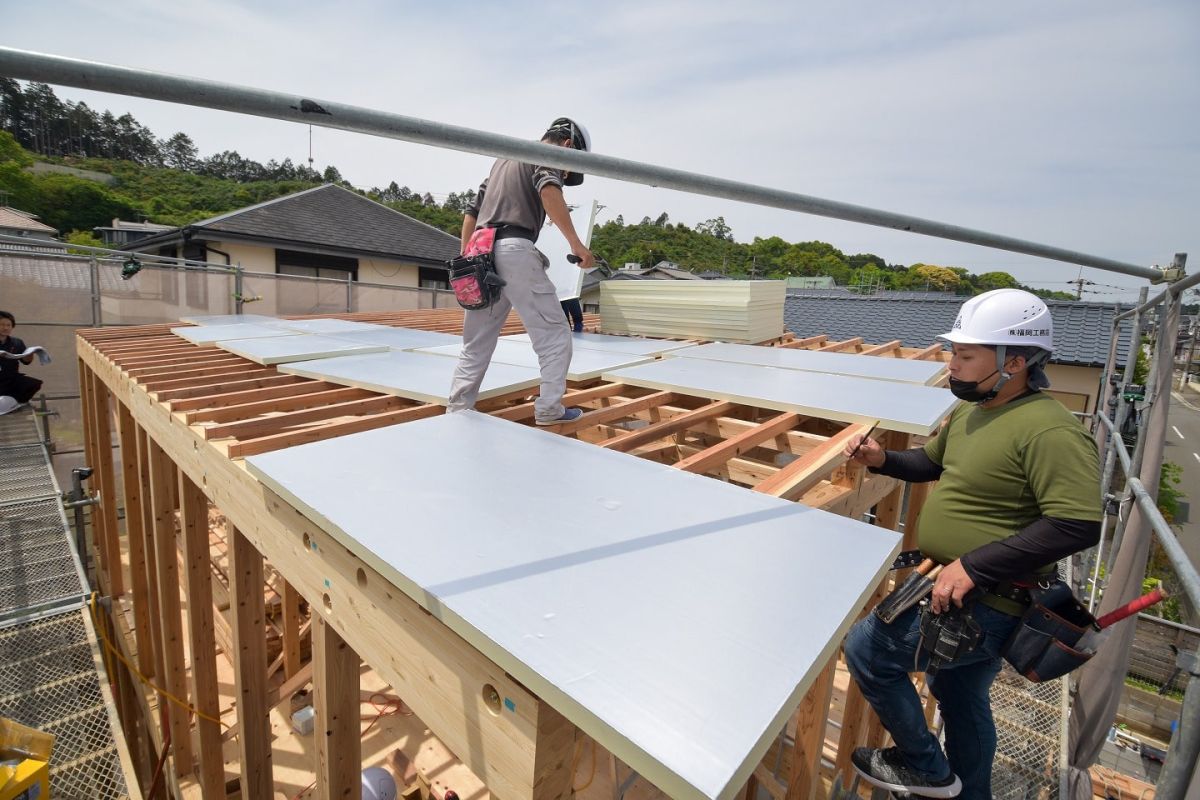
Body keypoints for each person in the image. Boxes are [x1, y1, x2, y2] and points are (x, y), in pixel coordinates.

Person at [841, 289, 1102, 799]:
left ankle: (927, 771)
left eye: (964, 356)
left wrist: (975, 566)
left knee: (867, 651)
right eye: (953, 352)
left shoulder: (1050, 430)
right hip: (964, 587)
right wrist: (881, 460)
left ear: (1016, 362)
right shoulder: (972, 411)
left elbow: (1076, 524)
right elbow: (932, 465)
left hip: (983, 598)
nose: (951, 364)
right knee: (959, 695)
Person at [447, 117, 595, 425]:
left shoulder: (504, 158)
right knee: (554, 336)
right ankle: (550, 410)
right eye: (569, 168)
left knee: (475, 343)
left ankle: (458, 409)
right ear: (568, 146)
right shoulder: (548, 153)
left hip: (482, 252)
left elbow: (472, 212)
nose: (565, 172)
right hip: (514, 248)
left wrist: (466, 258)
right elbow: (549, 190)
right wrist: (576, 245)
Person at [0, 310, 43, 410]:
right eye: (2, 324)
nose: (5, 328)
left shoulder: (17, 342)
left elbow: (26, 361)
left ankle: (14, 404)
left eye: (8, 325)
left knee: (34, 384)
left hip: (12, 378)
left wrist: (31, 353)